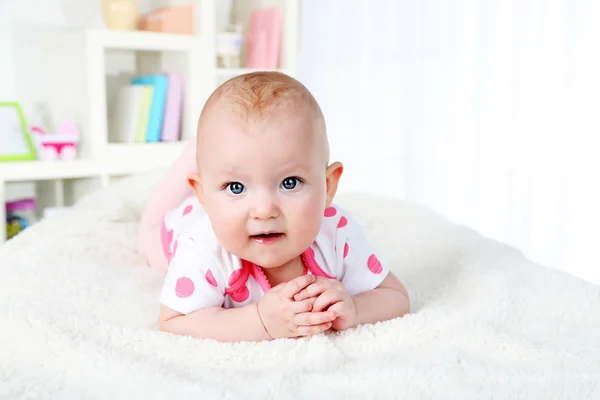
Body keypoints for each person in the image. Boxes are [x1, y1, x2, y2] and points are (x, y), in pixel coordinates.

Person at [138, 72, 409, 342]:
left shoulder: (337, 233)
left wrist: (356, 309)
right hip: (181, 225)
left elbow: (395, 296)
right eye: (236, 186)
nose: (264, 210)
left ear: (328, 187)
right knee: (148, 230)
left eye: (290, 183)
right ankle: (194, 153)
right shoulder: (201, 246)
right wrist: (260, 321)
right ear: (204, 196)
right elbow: (174, 321)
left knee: (224, 168)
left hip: (221, 205)